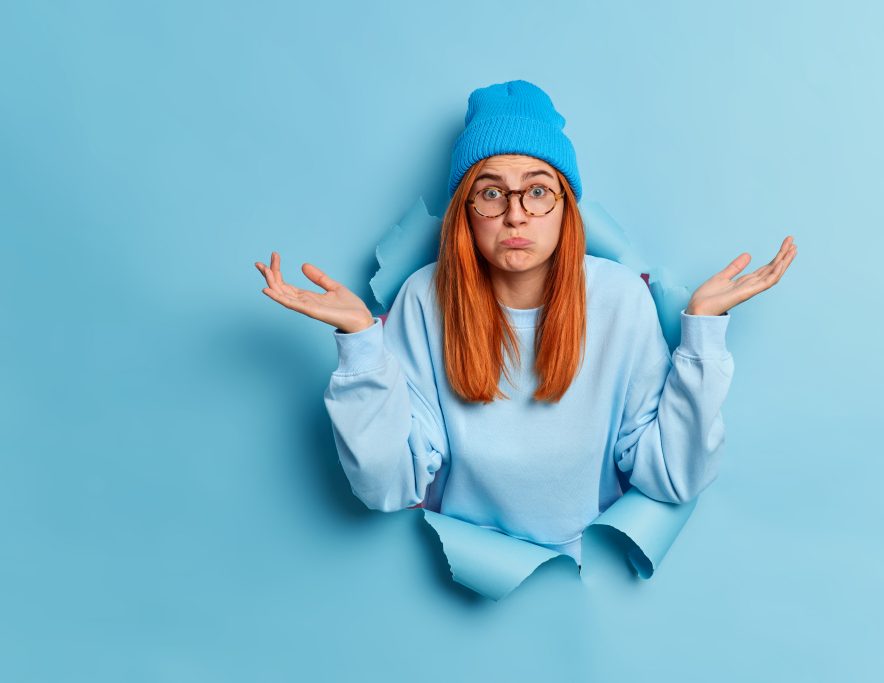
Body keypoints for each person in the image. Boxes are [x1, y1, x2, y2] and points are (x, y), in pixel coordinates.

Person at [255, 80, 797, 564]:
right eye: (491, 192)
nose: (516, 214)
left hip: (594, 579)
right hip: (462, 577)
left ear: (567, 206)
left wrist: (702, 331)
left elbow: (675, 476)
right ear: (466, 211)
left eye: (537, 190)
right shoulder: (425, 299)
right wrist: (361, 346)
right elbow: (386, 486)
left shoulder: (618, 300)